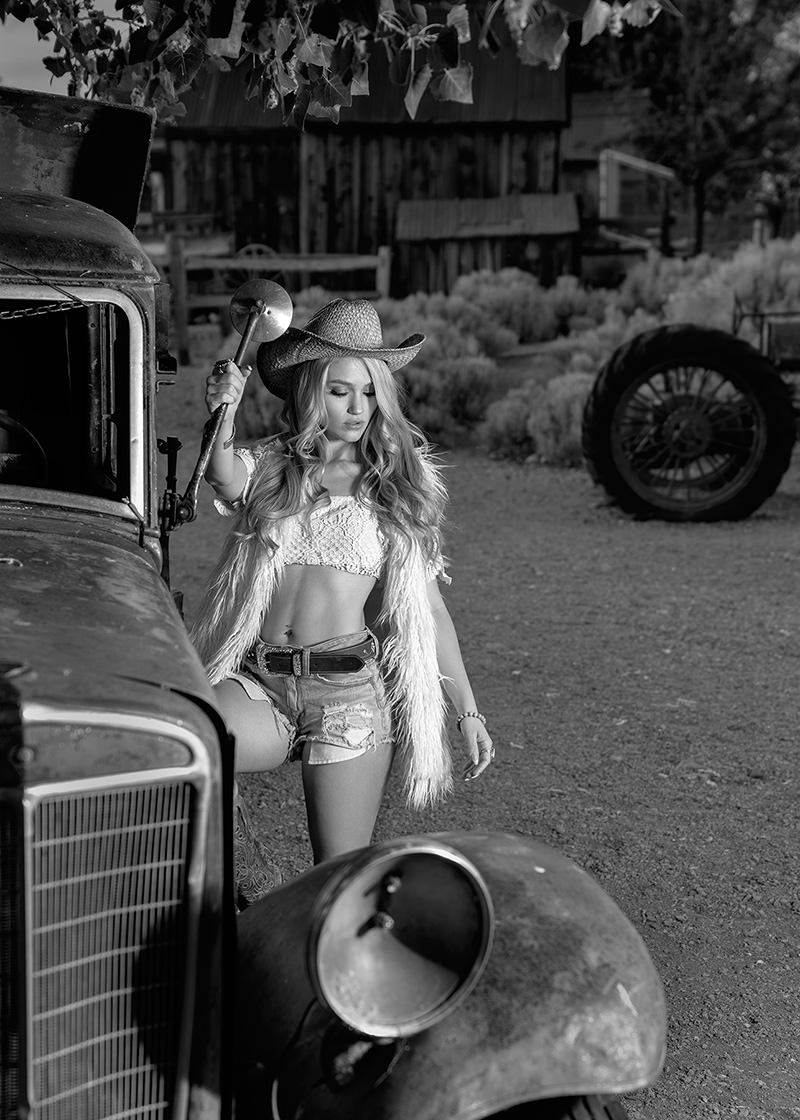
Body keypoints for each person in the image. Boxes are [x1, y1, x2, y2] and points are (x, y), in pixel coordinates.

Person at [190, 297, 494, 895]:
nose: (358, 408)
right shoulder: (276, 466)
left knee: (340, 880)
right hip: (261, 681)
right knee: (191, 742)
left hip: (348, 693)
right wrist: (221, 411)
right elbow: (221, 474)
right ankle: (214, 905)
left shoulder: (395, 488)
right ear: (310, 391)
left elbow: (427, 612)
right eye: (340, 392)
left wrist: (468, 710)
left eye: (369, 392)